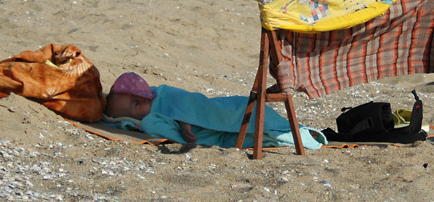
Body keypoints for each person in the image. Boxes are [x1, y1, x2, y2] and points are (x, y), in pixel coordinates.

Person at [102, 72, 325, 149]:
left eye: (138, 101)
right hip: (216, 135)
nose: (141, 106)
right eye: (133, 109)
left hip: (220, 111)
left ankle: (298, 132)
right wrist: (139, 124)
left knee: (248, 114)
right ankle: (294, 136)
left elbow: (189, 102)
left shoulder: (162, 94)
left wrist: (184, 118)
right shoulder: (150, 120)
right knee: (249, 138)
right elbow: (161, 127)